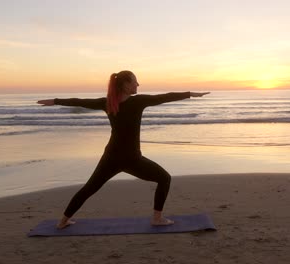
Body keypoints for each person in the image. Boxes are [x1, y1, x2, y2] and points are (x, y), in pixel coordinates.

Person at [37, 70, 209, 229]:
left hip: (111, 157)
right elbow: (164, 97)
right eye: (135, 81)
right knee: (164, 178)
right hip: (132, 159)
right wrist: (190, 94)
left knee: (89, 188)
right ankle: (157, 219)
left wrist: (54, 101)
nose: (138, 85)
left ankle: (62, 222)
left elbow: (79, 101)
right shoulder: (137, 101)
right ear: (126, 84)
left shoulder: (107, 103)